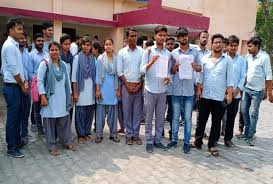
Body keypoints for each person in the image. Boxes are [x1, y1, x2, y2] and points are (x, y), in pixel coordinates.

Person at [192, 34, 233, 157]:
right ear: (212, 44)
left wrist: (229, 94)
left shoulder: (227, 60)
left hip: (219, 96)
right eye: (215, 42)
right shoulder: (204, 58)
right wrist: (198, 89)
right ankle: (198, 142)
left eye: (220, 42)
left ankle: (212, 145)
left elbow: (230, 79)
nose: (218, 44)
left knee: (216, 122)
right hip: (205, 95)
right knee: (201, 120)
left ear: (223, 44)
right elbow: (200, 76)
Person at [167, 27, 202, 153]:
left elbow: (200, 69)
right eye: (181, 36)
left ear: (188, 36)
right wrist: (175, 67)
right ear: (178, 38)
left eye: (185, 35)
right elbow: (170, 71)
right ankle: (174, 139)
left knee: (187, 118)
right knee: (175, 117)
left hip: (188, 91)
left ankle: (187, 142)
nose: (184, 37)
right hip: (176, 90)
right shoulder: (174, 53)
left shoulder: (195, 52)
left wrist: (195, 66)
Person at [38, 41, 76, 156]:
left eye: (56, 50)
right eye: (52, 50)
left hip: (62, 97)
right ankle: (51, 145)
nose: (54, 52)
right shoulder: (44, 64)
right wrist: (43, 96)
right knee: (50, 123)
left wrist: (70, 94)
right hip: (50, 98)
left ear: (60, 51)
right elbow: (39, 81)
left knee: (64, 121)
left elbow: (67, 82)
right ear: (48, 51)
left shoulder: (63, 64)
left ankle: (66, 141)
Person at [140, 25, 171, 153]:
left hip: (162, 90)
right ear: (155, 36)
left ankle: (157, 140)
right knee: (148, 117)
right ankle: (149, 140)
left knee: (160, 117)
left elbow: (168, 72)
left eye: (164, 35)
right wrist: (151, 62)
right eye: (160, 35)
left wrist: (168, 78)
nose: (162, 37)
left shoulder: (168, 54)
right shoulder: (148, 51)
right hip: (150, 89)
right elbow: (141, 70)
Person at [1, 18, 28, 158]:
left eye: (22, 29)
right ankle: (11, 148)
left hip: (16, 86)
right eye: (19, 29)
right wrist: (22, 85)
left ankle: (17, 142)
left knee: (17, 117)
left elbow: (19, 69)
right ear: (11, 30)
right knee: (12, 119)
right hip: (12, 87)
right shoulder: (10, 46)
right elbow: (14, 71)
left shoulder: (15, 45)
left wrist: (24, 82)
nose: (21, 32)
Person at [240, 36, 273, 146]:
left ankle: (250, 134)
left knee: (253, 113)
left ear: (257, 46)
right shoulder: (248, 57)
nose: (248, 48)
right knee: (244, 111)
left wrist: (268, 93)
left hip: (258, 91)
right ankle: (246, 132)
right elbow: (245, 72)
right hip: (247, 88)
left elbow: (268, 76)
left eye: (250, 46)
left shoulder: (264, 57)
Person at [117, 28, 144, 145]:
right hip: (126, 86)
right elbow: (119, 71)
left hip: (138, 86)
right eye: (131, 36)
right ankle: (128, 135)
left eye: (135, 36)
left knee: (137, 112)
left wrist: (140, 85)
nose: (133, 38)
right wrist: (127, 86)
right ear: (127, 38)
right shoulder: (122, 52)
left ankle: (136, 135)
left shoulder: (142, 52)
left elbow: (144, 71)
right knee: (126, 112)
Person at [221, 35, 246, 148]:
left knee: (231, 118)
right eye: (231, 45)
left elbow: (243, 77)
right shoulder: (222, 58)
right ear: (227, 45)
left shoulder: (241, 60)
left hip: (235, 95)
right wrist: (226, 92)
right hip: (221, 94)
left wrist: (235, 92)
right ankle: (215, 138)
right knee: (218, 117)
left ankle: (228, 140)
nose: (233, 47)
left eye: (235, 45)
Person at [95, 39, 121, 143]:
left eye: (110, 44)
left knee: (113, 115)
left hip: (113, 90)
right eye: (106, 44)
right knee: (100, 115)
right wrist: (97, 90)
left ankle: (113, 134)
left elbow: (119, 75)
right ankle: (99, 135)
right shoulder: (100, 59)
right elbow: (97, 75)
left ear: (113, 46)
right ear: (104, 46)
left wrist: (118, 89)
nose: (108, 46)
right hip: (102, 89)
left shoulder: (117, 59)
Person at [72, 36, 96, 144]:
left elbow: (96, 75)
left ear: (91, 46)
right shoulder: (77, 58)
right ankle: (80, 134)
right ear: (81, 46)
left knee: (89, 112)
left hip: (90, 90)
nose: (86, 47)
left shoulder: (93, 58)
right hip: (81, 90)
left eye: (88, 45)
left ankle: (87, 132)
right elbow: (74, 77)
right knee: (80, 113)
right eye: (84, 45)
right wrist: (75, 92)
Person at [29, 33, 49, 135]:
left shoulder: (46, 54)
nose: (40, 42)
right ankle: (38, 128)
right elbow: (30, 72)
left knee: (45, 106)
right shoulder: (31, 55)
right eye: (38, 41)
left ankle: (46, 127)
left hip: (46, 85)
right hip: (35, 85)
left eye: (42, 41)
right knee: (36, 107)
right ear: (34, 42)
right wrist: (36, 80)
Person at [18, 32, 32, 145]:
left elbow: (29, 71)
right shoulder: (14, 51)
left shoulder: (27, 53)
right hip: (17, 87)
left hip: (27, 87)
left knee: (26, 112)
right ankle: (17, 137)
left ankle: (24, 135)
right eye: (21, 38)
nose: (23, 40)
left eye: (25, 38)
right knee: (18, 112)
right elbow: (4, 71)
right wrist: (21, 83)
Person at [165, 37, 175, 140]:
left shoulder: (176, 56)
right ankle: (160, 132)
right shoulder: (162, 55)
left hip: (172, 90)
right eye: (168, 44)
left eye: (171, 44)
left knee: (172, 112)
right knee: (160, 112)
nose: (169, 46)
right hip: (162, 89)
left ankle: (172, 132)